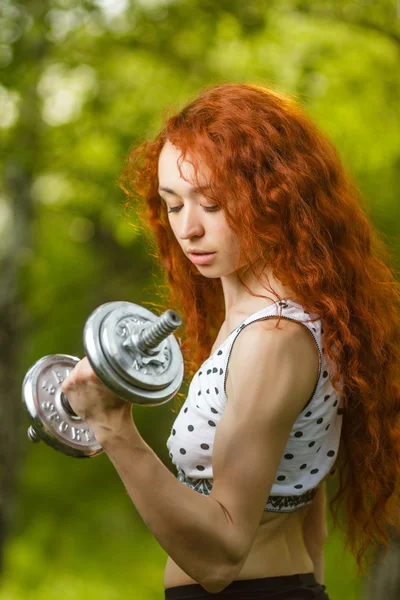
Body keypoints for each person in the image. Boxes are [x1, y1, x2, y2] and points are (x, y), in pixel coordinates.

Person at [62, 83, 400, 599]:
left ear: (274, 196)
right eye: (173, 205)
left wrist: (112, 426)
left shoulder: (273, 338)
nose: (188, 229)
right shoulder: (272, 318)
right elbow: (310, 519)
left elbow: (220, 560)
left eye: (213, 203)